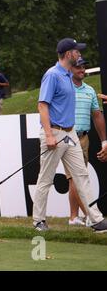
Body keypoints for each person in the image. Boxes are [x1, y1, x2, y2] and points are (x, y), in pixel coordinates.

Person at [32, 37, 107, 232]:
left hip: (70, 132)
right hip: (54, 132)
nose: (79, 54)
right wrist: (49, 135)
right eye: (77, 51)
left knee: (82, 174)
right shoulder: (52, 75)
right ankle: (39, 220)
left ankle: (96, 219)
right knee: (46, 178)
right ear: (68, 54)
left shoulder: (67, 74)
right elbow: (42, 105)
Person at [66, 57, 107, 226]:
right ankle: (90, 216)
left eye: (83, 67)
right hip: (68, 137)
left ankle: (74, 217)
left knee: (75, 178)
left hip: (84, 138)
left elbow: (97, 115)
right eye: (78, 67)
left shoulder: (89, 90)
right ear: (70, 69)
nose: (82, 70)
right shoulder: (64, 88)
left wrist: (104, 141)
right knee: (76, 178)